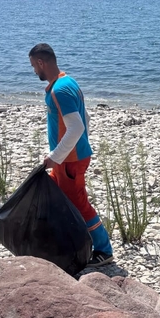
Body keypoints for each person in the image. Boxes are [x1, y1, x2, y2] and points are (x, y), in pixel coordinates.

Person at [28, 43, 114, 268]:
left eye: (33, 67)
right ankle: (65, 242)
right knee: (57, 199)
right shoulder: (68, 81)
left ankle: (104, 250)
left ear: (40, 63)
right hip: (69, 158)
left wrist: (56, 156)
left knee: (79, 203)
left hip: (69, 161)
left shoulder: (60, 90)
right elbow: (86, 117)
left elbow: (76, 127)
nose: (34, 72)